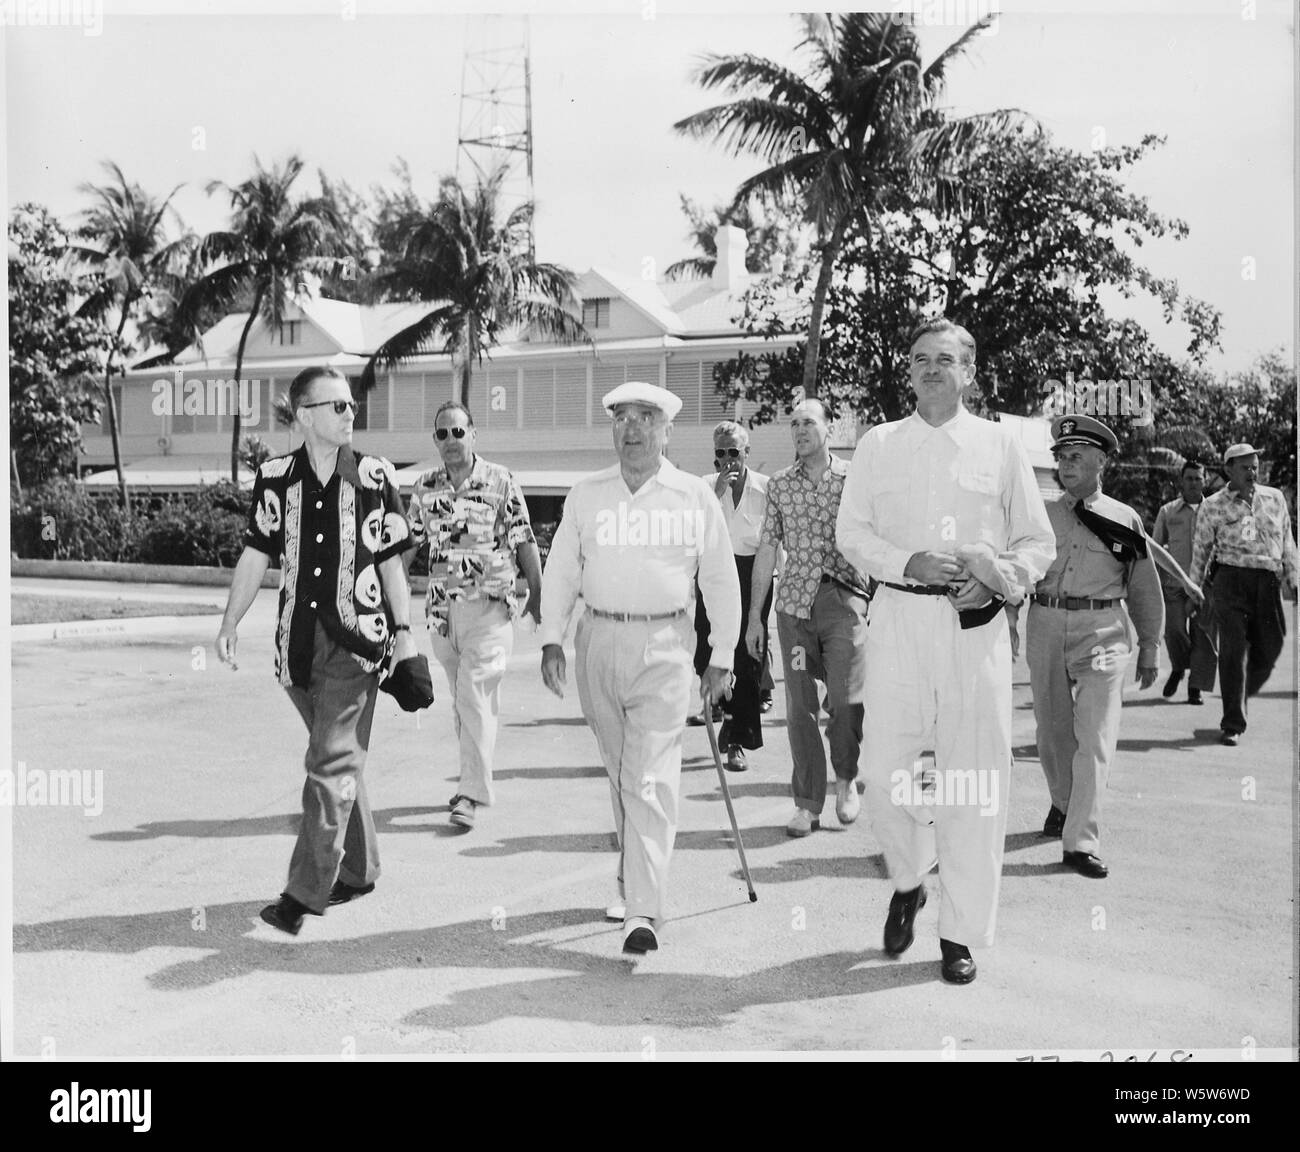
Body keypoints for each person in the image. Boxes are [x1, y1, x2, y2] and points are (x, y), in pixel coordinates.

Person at [836, 318, 1055, 984]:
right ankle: (909, 879)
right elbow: (852, 534)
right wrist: (909, 560)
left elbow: (1037, 545)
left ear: (969, 371)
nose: (931, 369)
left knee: (975, 783)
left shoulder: (1001, 445)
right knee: (882, 772)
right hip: (899, 619)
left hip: (975, 632)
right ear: (908, 371)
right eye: (920, 359)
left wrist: (997, 576)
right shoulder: (878, 444)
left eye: (946, 360)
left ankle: (959, 934)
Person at [539, 382, 741, 954]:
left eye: (646, 418)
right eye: (622, 418)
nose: (633, 428)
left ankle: (644, 913)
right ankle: (632, 883)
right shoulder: (587, 494)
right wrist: (552, 638)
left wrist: (722, 654)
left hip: (666, 645)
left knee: (648, 777)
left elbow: (721, 578)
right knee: (622, 771)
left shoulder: (692, 496)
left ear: (667, 429)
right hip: (598, 642)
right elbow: (561, 572)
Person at [216, 366, 417, 935]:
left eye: (352, 406)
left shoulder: (375, 475)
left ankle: (303, 894)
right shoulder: (276, 477)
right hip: (297, 650)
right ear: (304, 416)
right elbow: (257, 553)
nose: (349, 414)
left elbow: (391, 563)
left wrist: (405, 639)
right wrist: (231, 621)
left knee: (328, 762)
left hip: (358, 646)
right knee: (340, 757)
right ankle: (361, 867)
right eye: (337, 406)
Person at [1026, 415, 1164, 881]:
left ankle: (1081, 840)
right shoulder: (1039, 516)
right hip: (1045, 621)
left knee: (1096, 737)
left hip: (1103, 629)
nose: (1066, 465)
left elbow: (1143, 587)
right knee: (1051, 731)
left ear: (1101, 460)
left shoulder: (1124, 519)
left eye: (1077, 456)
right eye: (1062, 457)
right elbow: (1016, 572)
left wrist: (1150, 645)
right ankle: (1063, 802)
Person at [404, 401, 542, 829]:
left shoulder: (500, 481)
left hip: (489, 608)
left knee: (474, 696)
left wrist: (537, 592)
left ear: (473, 434)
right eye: (442, 434)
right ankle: (471, 778)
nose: (450, 440)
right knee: (464, 703)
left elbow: (523, 539)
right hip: (443, 613)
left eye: (458, 432)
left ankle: (471, 794)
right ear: (435, 440)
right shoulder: (424, 486)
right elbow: (408, 546)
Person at [746, 398, 872, 838]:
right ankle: (807, 803)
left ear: (828, 428)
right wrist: (754, 618)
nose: (800, 431)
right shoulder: (779, 485)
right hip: (795, 609)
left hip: (843, 602)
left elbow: (876, 538)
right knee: (800, 708)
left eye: (808, 423)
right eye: (794, 424)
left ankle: (846, 778)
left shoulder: (854, 479)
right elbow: (766, 549)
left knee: (844, 698)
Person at [1189, 443, 1298, 746]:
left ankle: (1240, 691)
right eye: (1245, 467)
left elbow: (1287, 540)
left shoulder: (1274, 499)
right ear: (1229, 470)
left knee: (1272, 646)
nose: (1252, 472)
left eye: (1255, 467)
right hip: (1230, 580)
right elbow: (1200, 550)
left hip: (1268, 581)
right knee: (1233, 652)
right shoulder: (1213, 505)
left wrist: (1294, 577)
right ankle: (1232, 723)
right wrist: (1193, 588)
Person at [693, 420, 771, 772]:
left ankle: (736, 738)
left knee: (747, 660)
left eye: (734, 452)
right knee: (708, 653)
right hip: (714, 577)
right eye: (720, 453)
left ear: (747, 453)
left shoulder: (766, 490)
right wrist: (718, 491)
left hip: (751, 576)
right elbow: (692, 533)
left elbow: (772, 547)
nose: (727, 460)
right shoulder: (705, 489)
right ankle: (724, 714)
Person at [1152, 461, 1217, 705]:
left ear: (1205, 480)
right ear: (1182, 481)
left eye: (1198, 478)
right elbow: (1155, 548)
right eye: (1188, 478)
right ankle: (1179, 667)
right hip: (1174, 585)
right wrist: (1154, 583)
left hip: (1205, 585)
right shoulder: (1167, 511)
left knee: (1203, 637)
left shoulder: (1214, 512)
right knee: (1174, 631)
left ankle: (1195, 688)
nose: (1193, 483)